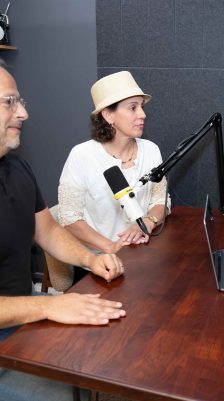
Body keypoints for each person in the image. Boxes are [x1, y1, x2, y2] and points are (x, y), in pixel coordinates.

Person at [0, 63, 126, 400]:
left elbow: (48, 231)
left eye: (20, 101)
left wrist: (92, 258)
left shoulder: (16, 168)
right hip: (19, 318)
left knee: (108, 350)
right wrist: (48, 307)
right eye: (9, 102)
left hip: (20, 314)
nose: (23, 113)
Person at [58, 71, 170, 281]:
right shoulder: (82, 156)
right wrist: (111, 247)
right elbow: (70, 219)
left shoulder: (151, 150)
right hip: (100, 264)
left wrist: (146, 222)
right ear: (108, 115)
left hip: (145, 257)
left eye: (142, 107)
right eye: (132, 108)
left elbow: (160, 200)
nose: (142, 115)